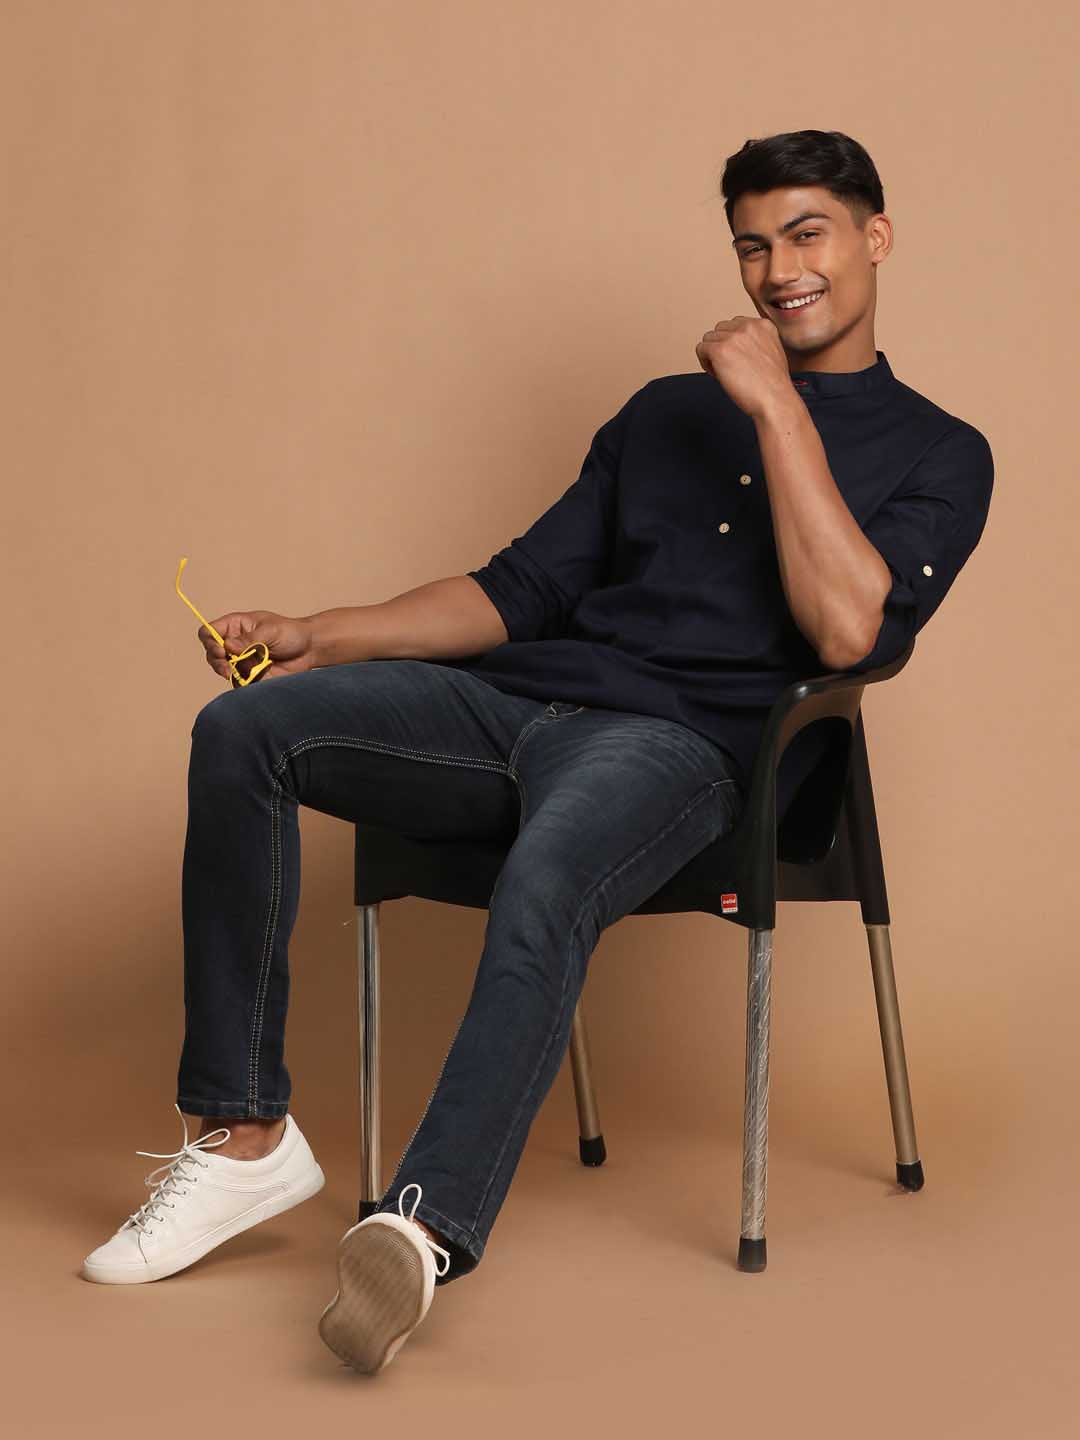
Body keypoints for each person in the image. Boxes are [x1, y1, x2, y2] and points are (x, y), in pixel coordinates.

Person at [81, 129, 994, 1375]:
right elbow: (517, 590)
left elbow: (846, 630)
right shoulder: (662, 416)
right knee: (244, 730)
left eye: (807, 234)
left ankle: (421, 1229)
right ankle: (245, 1138)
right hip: (519, 708)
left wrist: (780, 407)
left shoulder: (942, 451)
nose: (779, 270)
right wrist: (320, 633)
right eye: (752, 245)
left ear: (875, 239)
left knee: (549, 872)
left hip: (690, 752)